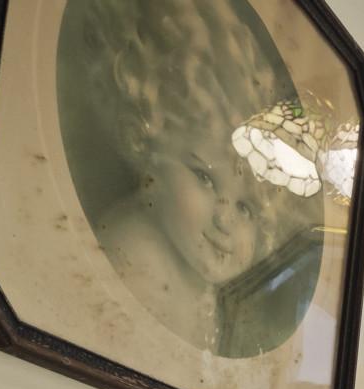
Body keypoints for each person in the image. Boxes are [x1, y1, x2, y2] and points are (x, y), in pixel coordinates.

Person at [58, 0, 320, 357]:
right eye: (205, 178)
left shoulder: (204, 288)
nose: (224, 219)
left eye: (246, 209)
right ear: (148, 148)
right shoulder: (137, 252)